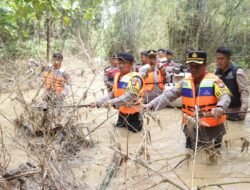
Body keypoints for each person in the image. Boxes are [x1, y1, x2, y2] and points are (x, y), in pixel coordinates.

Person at [144, 50, 231, 150]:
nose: (193, 69)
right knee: (190, 153)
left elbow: (225, 96)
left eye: (197, 66)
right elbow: (169, 94)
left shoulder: (215, 81)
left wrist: (220, 107)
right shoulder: (185, 82)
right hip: (190, 127)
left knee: (212, 156)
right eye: (190, 66)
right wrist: (151, 105)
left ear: (205, 65)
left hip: (212, 128)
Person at [91, 52, 144, 133]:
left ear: (131, 64)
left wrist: (111, 102)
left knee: (134, 137)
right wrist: (97, 102)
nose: (121, 66)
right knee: (119, 132)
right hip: (122, 113)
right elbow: (112, 95)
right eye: (119, 63)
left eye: (124, 63)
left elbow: (130, 95)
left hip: (134, 115)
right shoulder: (119, 76)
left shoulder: (135, 78)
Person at [215, 47, 249, 121]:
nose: (219, 61)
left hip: (236, 111)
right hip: (222, 111)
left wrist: (244, 108)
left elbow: (244, 91)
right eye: (217, 59)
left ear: (228, 59)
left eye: (221, 59)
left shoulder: (237, 72)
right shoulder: (217, 73)